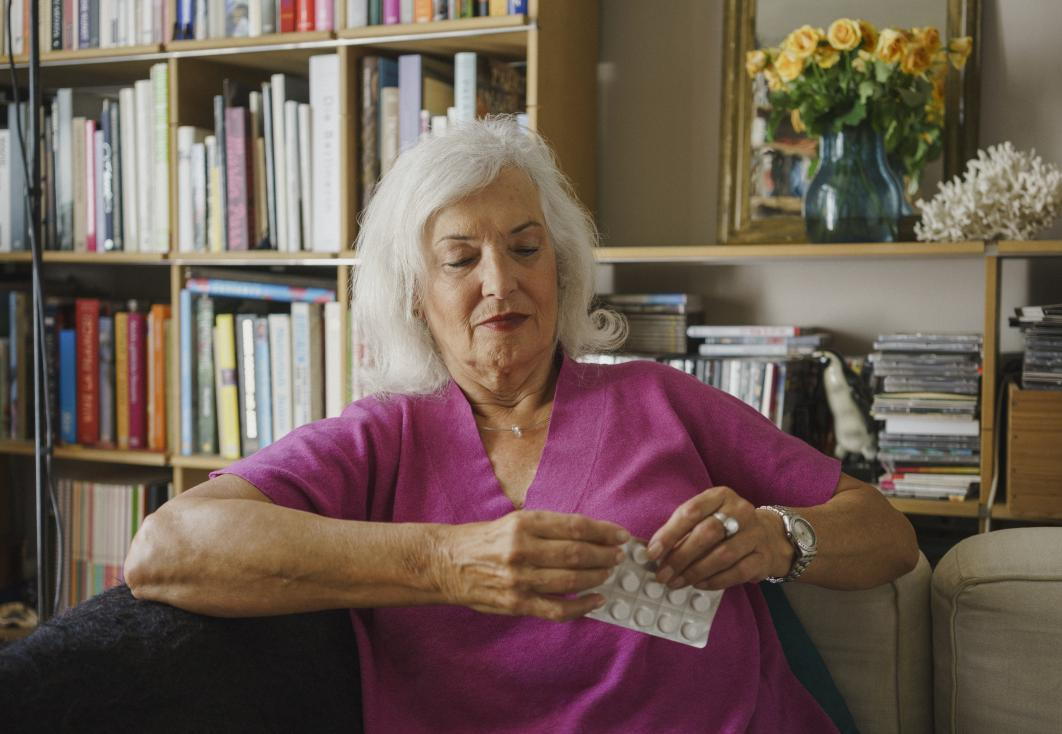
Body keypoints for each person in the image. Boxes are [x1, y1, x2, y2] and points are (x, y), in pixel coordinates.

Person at [124, 117, 919, 732]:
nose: (499, 281)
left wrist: (777, 539)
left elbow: (886, 535)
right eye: (460, 258)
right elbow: (166, 552)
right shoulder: (380, 441)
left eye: (524, 247)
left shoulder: (658, 398)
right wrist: (444, 559)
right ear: (414, 295)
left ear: (561, 268)